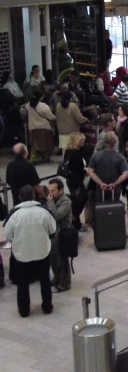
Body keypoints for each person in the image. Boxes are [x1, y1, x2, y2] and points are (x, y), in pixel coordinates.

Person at [4, 185, 57, 317]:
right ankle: (47, 306)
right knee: (44, 280)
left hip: (22, 254)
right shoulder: (43, 211)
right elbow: (52, 229)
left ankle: (24, 310)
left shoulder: (15, 214)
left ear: (20, 197)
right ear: (34, 196)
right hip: (42, 252)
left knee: (22, 284)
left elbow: (8, 234)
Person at [46, 178, 73, 293]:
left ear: (61, 190)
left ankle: (65, 283)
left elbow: (57, 215)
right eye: (49, 190)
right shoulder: (51, 200)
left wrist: (50, 203)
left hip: (62, 235)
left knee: (62, 260)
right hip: (52, 234)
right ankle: (56, 278)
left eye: (53, 191)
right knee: (53, 259)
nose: (50, 194)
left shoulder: (66, 201)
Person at [87, 132, 128, 201]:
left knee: (101, 208)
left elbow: (90, 171)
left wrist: (100, 183)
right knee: (113, 208)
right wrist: (115, 183)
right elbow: (126, 173)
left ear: (104, 142)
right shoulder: (120, 157)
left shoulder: (96, 156)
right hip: (115, 189)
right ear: (115, 142)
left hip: (100, 188)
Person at [63, 132, 88, 230]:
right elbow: (77, 168)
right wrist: (85, 170)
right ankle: (75, 219)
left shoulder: (68, 151)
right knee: (81, 198)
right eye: (81, 140)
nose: (83, 142)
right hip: (77, 180)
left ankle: (75, 219)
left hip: (70, 180)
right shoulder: (76, 153)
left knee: (76, 199)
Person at [25, 90, 55, 163]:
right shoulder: (44, 106)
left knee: (34, 145)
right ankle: (45, 158)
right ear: (41, 97)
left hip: (32, 128)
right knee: (47, 144)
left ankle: (33, 159)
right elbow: (51, 117)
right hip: (44, 127)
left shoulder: (28, 105)